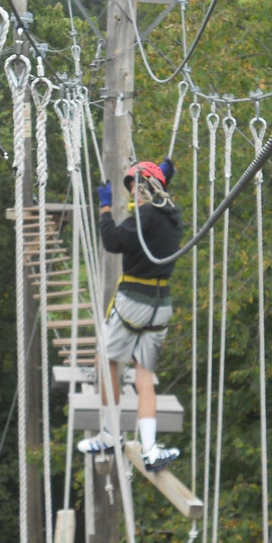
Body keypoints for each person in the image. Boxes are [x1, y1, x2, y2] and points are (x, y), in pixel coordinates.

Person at [78, 158, 183, 472]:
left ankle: (111, 434)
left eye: (137, 186)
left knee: (106, 361)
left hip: (133, 301)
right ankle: (150, 449)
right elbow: (153, 220)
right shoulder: (173, 215)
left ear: (148, 187)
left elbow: (113, 242)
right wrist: (161, 177)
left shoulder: (145, 215)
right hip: (160, 304)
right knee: (144, 375)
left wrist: (105, 209)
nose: (134, 192)